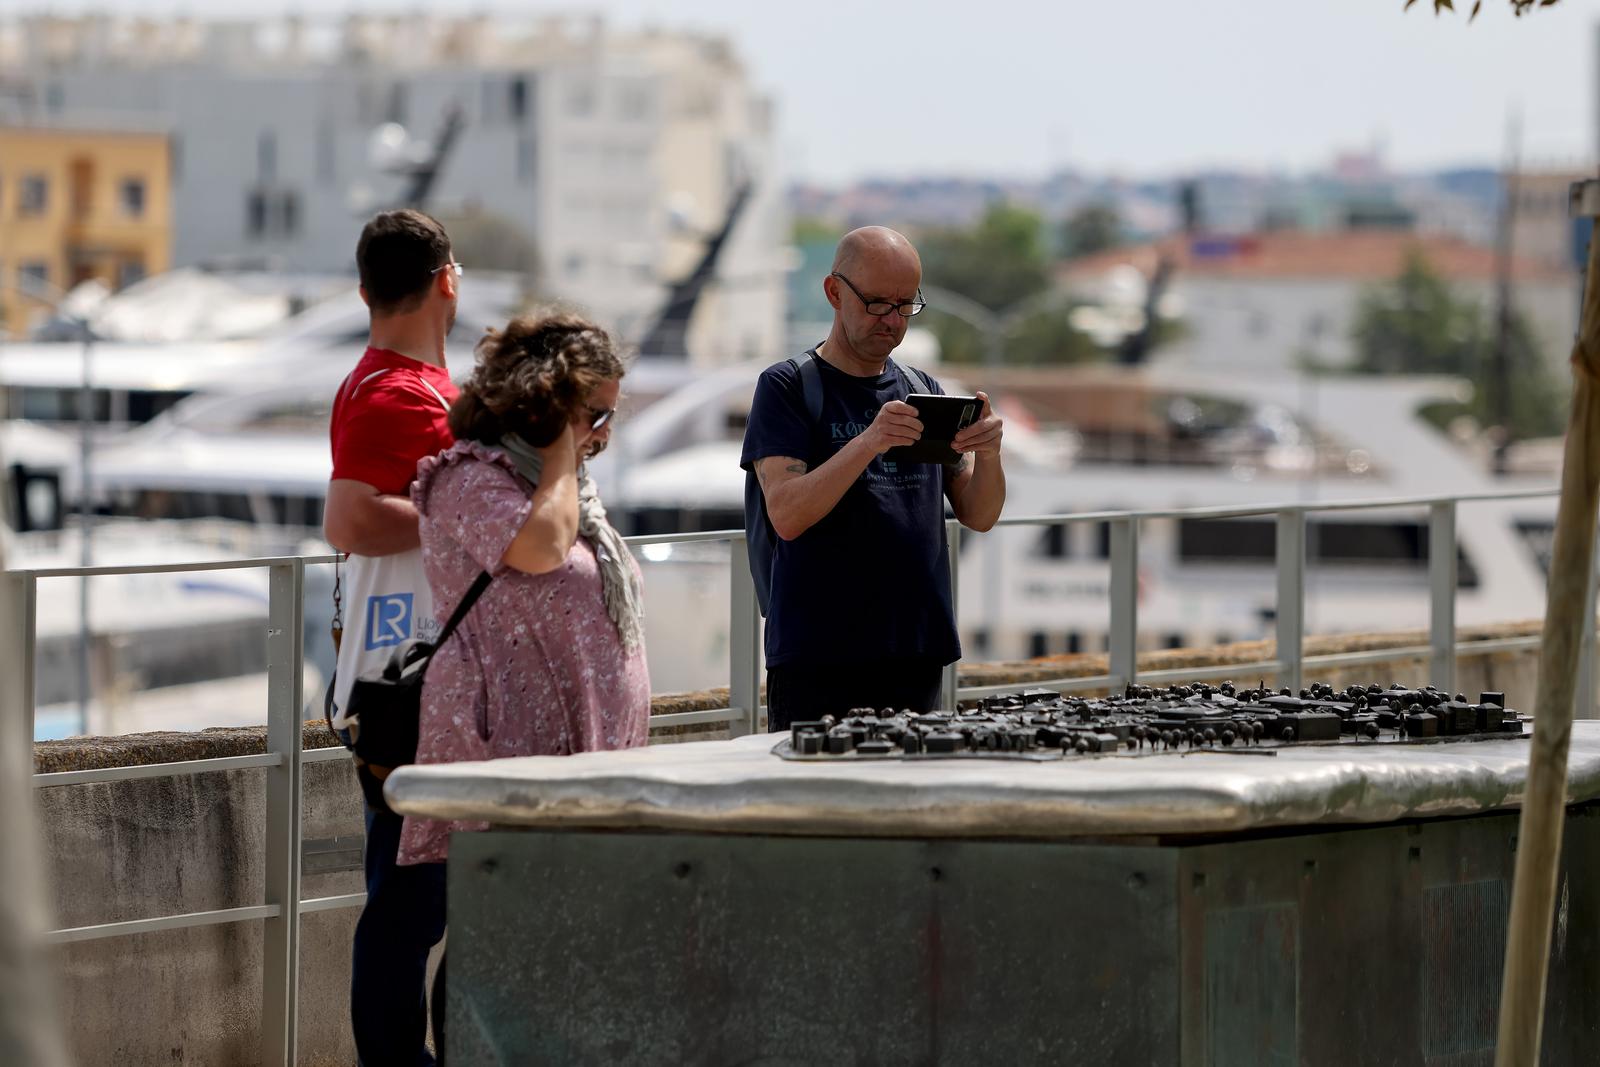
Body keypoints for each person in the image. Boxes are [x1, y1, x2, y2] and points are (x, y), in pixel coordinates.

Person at [396, 311, 650, 869]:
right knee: (501, 933)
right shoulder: (468, 478)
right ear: (546, 402)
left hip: (584, 763)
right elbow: (541, 549)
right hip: (508, 754)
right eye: (594, 413)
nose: (604, 431)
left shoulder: (566, 489)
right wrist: (561, 450)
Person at [741, 226, 1006, 731]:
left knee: (906, 802)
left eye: (906, 305)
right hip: (818, 654)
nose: (892, 320)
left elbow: (980, 513)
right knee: (815, 801)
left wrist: (989, 453)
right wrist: (868, 441)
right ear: (835, 292)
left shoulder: (920, 388)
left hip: (915, 648)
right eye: (878, 303)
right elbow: (787, 515)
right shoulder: (787, 387)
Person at [324, 209, 459, 1067]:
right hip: (409, 690)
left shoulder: (401, 385)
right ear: (448, 280)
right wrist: (476, 514)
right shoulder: (394, 391)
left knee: (438, 905)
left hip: (422, 682)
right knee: (412, 910)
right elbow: (349, 519)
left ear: (366, 289)